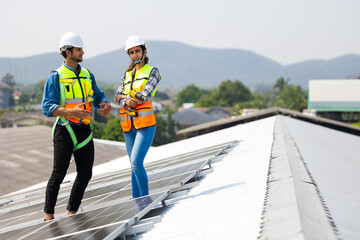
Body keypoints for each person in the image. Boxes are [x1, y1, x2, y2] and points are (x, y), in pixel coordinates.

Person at [42, 32, 111, 221]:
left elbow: (98, 96)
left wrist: (105, 103)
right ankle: (49, 216)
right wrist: (71, 112)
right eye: (79, 49)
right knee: (59, 173)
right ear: (67, 52)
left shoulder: (88, 75)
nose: (82, 52)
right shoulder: (55, 77)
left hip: (85, 130)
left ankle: (72, 212)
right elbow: (47, 107)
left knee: (86, 173)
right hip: (65, 129)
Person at [115, 35, 161, 198]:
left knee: (136, 163)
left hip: (145, 124)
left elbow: (146, 93)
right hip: (129, 126)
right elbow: (117, 96)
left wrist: (128, 98)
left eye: (137, 51)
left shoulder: (152, 71)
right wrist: (127, 100)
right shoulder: (127, 74)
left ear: (144, 51)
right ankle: (136, 200)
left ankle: (144, 199)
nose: (135, 55)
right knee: (132, 166)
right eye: (131, 52)